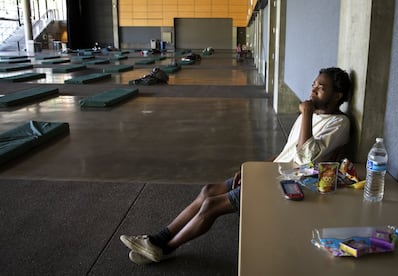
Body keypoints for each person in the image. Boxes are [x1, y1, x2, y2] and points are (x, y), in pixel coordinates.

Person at [120, 67, 352, 264]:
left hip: (290, 185)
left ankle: (164, 249)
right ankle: (156, 239)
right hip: (272, 172)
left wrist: (308, 114)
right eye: (313, 84)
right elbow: (286, 153)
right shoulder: (307, 116)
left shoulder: (340, 124)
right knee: (209, 191)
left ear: (337, 96)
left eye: (320, 88)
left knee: (212, 205)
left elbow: (304, 160)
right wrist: (250, 167)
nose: (312, 90)